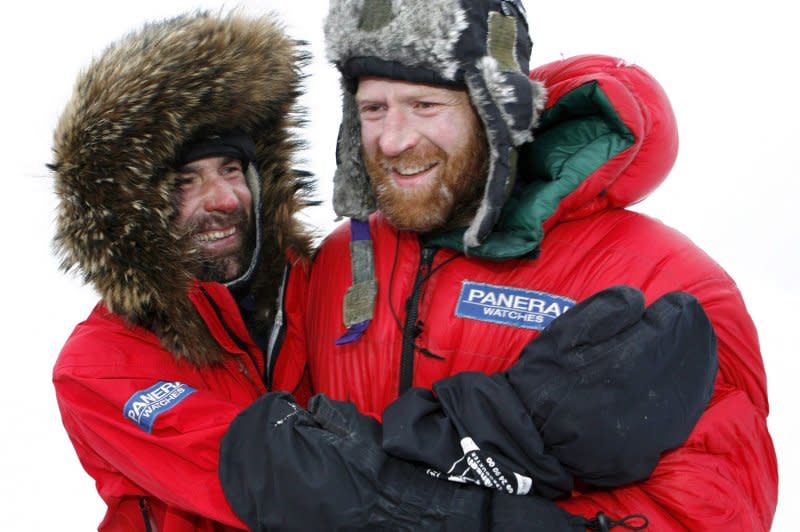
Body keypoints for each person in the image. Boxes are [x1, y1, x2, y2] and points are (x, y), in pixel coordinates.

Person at [250, 0, 777, 530]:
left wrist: (472, 520)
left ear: (496, 111)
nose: (393, 140)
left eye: (426, 104)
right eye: (373, 109)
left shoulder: (657, 277)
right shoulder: (340, 260)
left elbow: (715, 507)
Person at [50, 12, 316, 530]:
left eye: (231, 170)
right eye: (184, 181)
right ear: (131, 212)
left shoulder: (323, 291)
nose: (221, 200)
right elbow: (263, 479)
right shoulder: (98, 362)